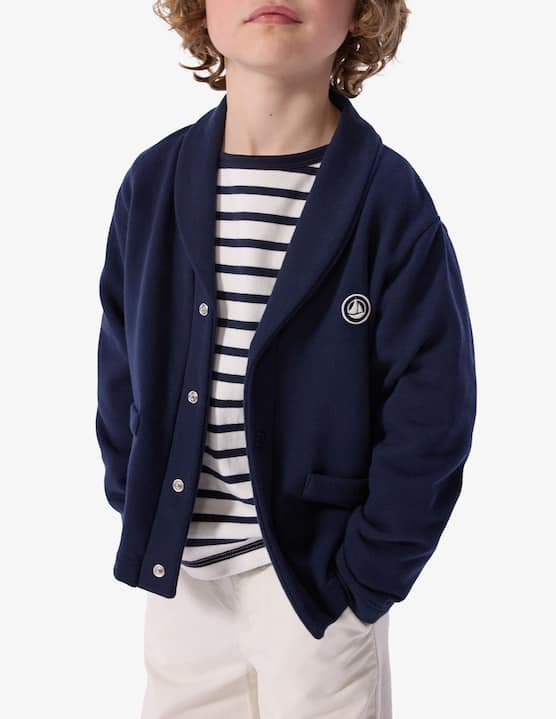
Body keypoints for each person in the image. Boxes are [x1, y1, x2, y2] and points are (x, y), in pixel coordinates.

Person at [95, 1, 477, 717]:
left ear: (360, 11)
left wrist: (367, 575)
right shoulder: (152, 183)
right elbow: (119, 369)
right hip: (182, 577)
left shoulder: (389, 199)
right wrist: (136, 498)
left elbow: (433, 408)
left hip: (317, 586)